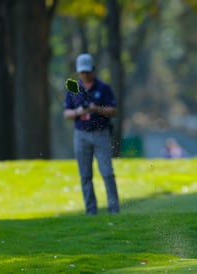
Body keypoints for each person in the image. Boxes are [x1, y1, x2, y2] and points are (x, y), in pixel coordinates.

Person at [63, 53, 120, 215]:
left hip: (100, 133)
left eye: (88, 71)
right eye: (82, 72)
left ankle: (114, 209)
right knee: (85, 175)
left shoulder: (103, 88)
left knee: (107, 173)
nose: (85, 75)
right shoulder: (73, 87)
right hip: (81, 134)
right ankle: (91, 211)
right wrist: (78, 111)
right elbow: (66, 114)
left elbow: (114, 111)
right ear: (78, 72)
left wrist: (97, 109)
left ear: (93, 70)